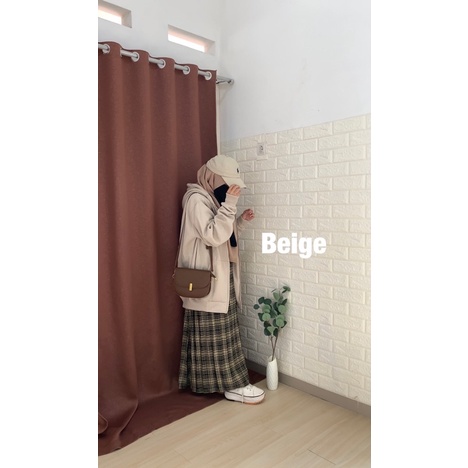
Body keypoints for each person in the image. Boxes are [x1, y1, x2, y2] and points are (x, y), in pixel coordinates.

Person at [177, 154, 265, 404]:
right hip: (209, 277)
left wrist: (240, 222)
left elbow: (222, 234)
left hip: (218, 274)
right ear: (212, 178)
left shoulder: (210, 199)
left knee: (222, 332)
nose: (228, 189)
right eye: (225, 183)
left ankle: (221, 384)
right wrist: (230, 205)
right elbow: (213, 236)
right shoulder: (196, 199)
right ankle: (234, 385)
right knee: (217, 332)